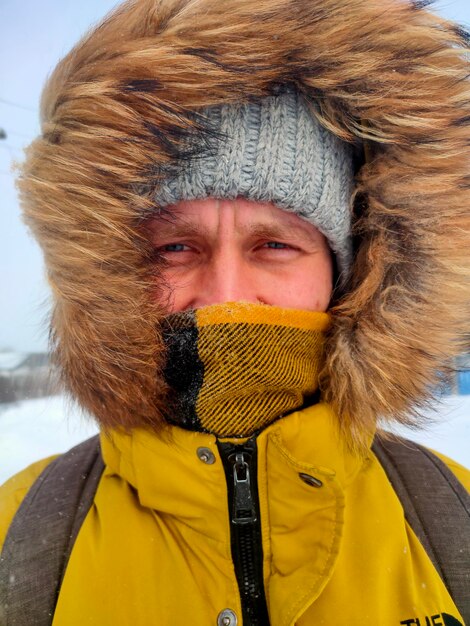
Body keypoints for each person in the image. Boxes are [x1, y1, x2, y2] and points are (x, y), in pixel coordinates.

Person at [0, 0, 469, 624]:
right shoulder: (20, 532)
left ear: (348, 273)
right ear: (108, 276)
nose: (225, 295)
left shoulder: (453, 518)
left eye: (274, 245)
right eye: (174, 247)